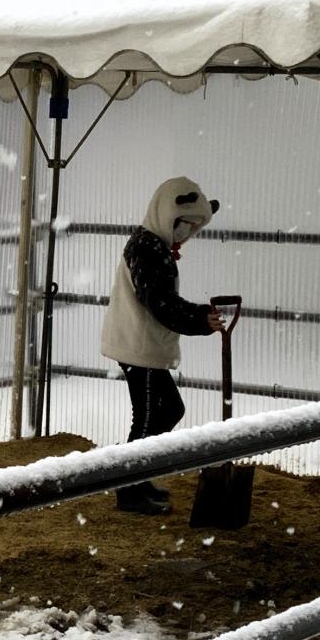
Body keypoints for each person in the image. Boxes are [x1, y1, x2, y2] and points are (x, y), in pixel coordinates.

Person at [98, 176, 227, 514]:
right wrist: (200, 319)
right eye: (187, 224)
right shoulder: (147, 249)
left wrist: (199, 317)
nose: (190, 232)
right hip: (137, 347)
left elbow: (161, 301)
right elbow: (160, 303)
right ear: (170, 214)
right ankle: (128, 488)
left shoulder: (155, 245)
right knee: (150, 417)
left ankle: (137, 478)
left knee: (166, 411)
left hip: (143, 346)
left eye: (196, 227)